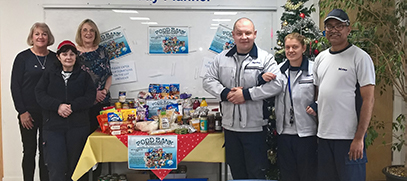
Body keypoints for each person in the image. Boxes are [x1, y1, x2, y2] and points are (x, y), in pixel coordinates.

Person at [203, 17, 282, 179]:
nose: (244, 37)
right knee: (237, 174)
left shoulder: (265, 59)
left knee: (256, 174)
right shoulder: (221, 58)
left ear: (255, 34)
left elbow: (277, 85)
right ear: (233, 35)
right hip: (231, 130)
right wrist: (226, 93)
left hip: (255, 129)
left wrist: (246, 94)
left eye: (247, 33)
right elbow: (208, 80)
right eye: (239, 33)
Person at [313, 9, 375, 181]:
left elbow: (368, 100)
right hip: (324, 137)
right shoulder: (320, 59)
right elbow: (319, 95)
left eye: (339, 26)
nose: (334, 30)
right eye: (330, 26)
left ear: (348, 29)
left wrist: (359, 138)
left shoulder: (360, 58)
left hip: (349, 139)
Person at [35, 40, 96, 180]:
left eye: (72, 54)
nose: (68, 57)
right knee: (56, 168)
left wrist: (72, 107)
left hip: (78, 127)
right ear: (58, 57)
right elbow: (39, 94)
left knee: (78, 168)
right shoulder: (49, 75)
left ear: (76, 57)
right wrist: (58, 106)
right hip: (53, 128)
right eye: (64, 54)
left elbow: (90, 96)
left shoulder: (84, 76)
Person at [261, 33, 317, 181]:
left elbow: (323, 92)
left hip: (306, 133)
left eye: (295, 47)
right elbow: (267, 92)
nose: (290, 50)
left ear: (303, 48)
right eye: (287, 47)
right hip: (284, 133)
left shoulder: (313, 69)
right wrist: (263, 79)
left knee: (307, 175)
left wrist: (317, 105)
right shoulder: (278, 70)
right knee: (287, 175)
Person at [10, 22, 58, 181]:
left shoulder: (54, 58)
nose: (40, 37)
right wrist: (22, 112)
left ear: (48, 37)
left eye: (44, 34)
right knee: (29, 151)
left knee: (46, 152)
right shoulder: (22, 58)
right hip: (28, 113)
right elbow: (15, 86)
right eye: (37, 34)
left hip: (48, 113)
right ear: (32, 37)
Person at [75, 18, 112, 181]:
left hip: (102, 103)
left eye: (91, 30)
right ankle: (82, 176)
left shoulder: (103, 51)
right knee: (83, 141)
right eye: (85, 30)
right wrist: (92, 95)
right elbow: (73, 80)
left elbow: (109, 75)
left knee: (101, 142)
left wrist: (104, 91)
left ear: (95, 33)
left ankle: (98, 176)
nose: (88, 33)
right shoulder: (73, 53)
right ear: (80, 33)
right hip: (82, 104)